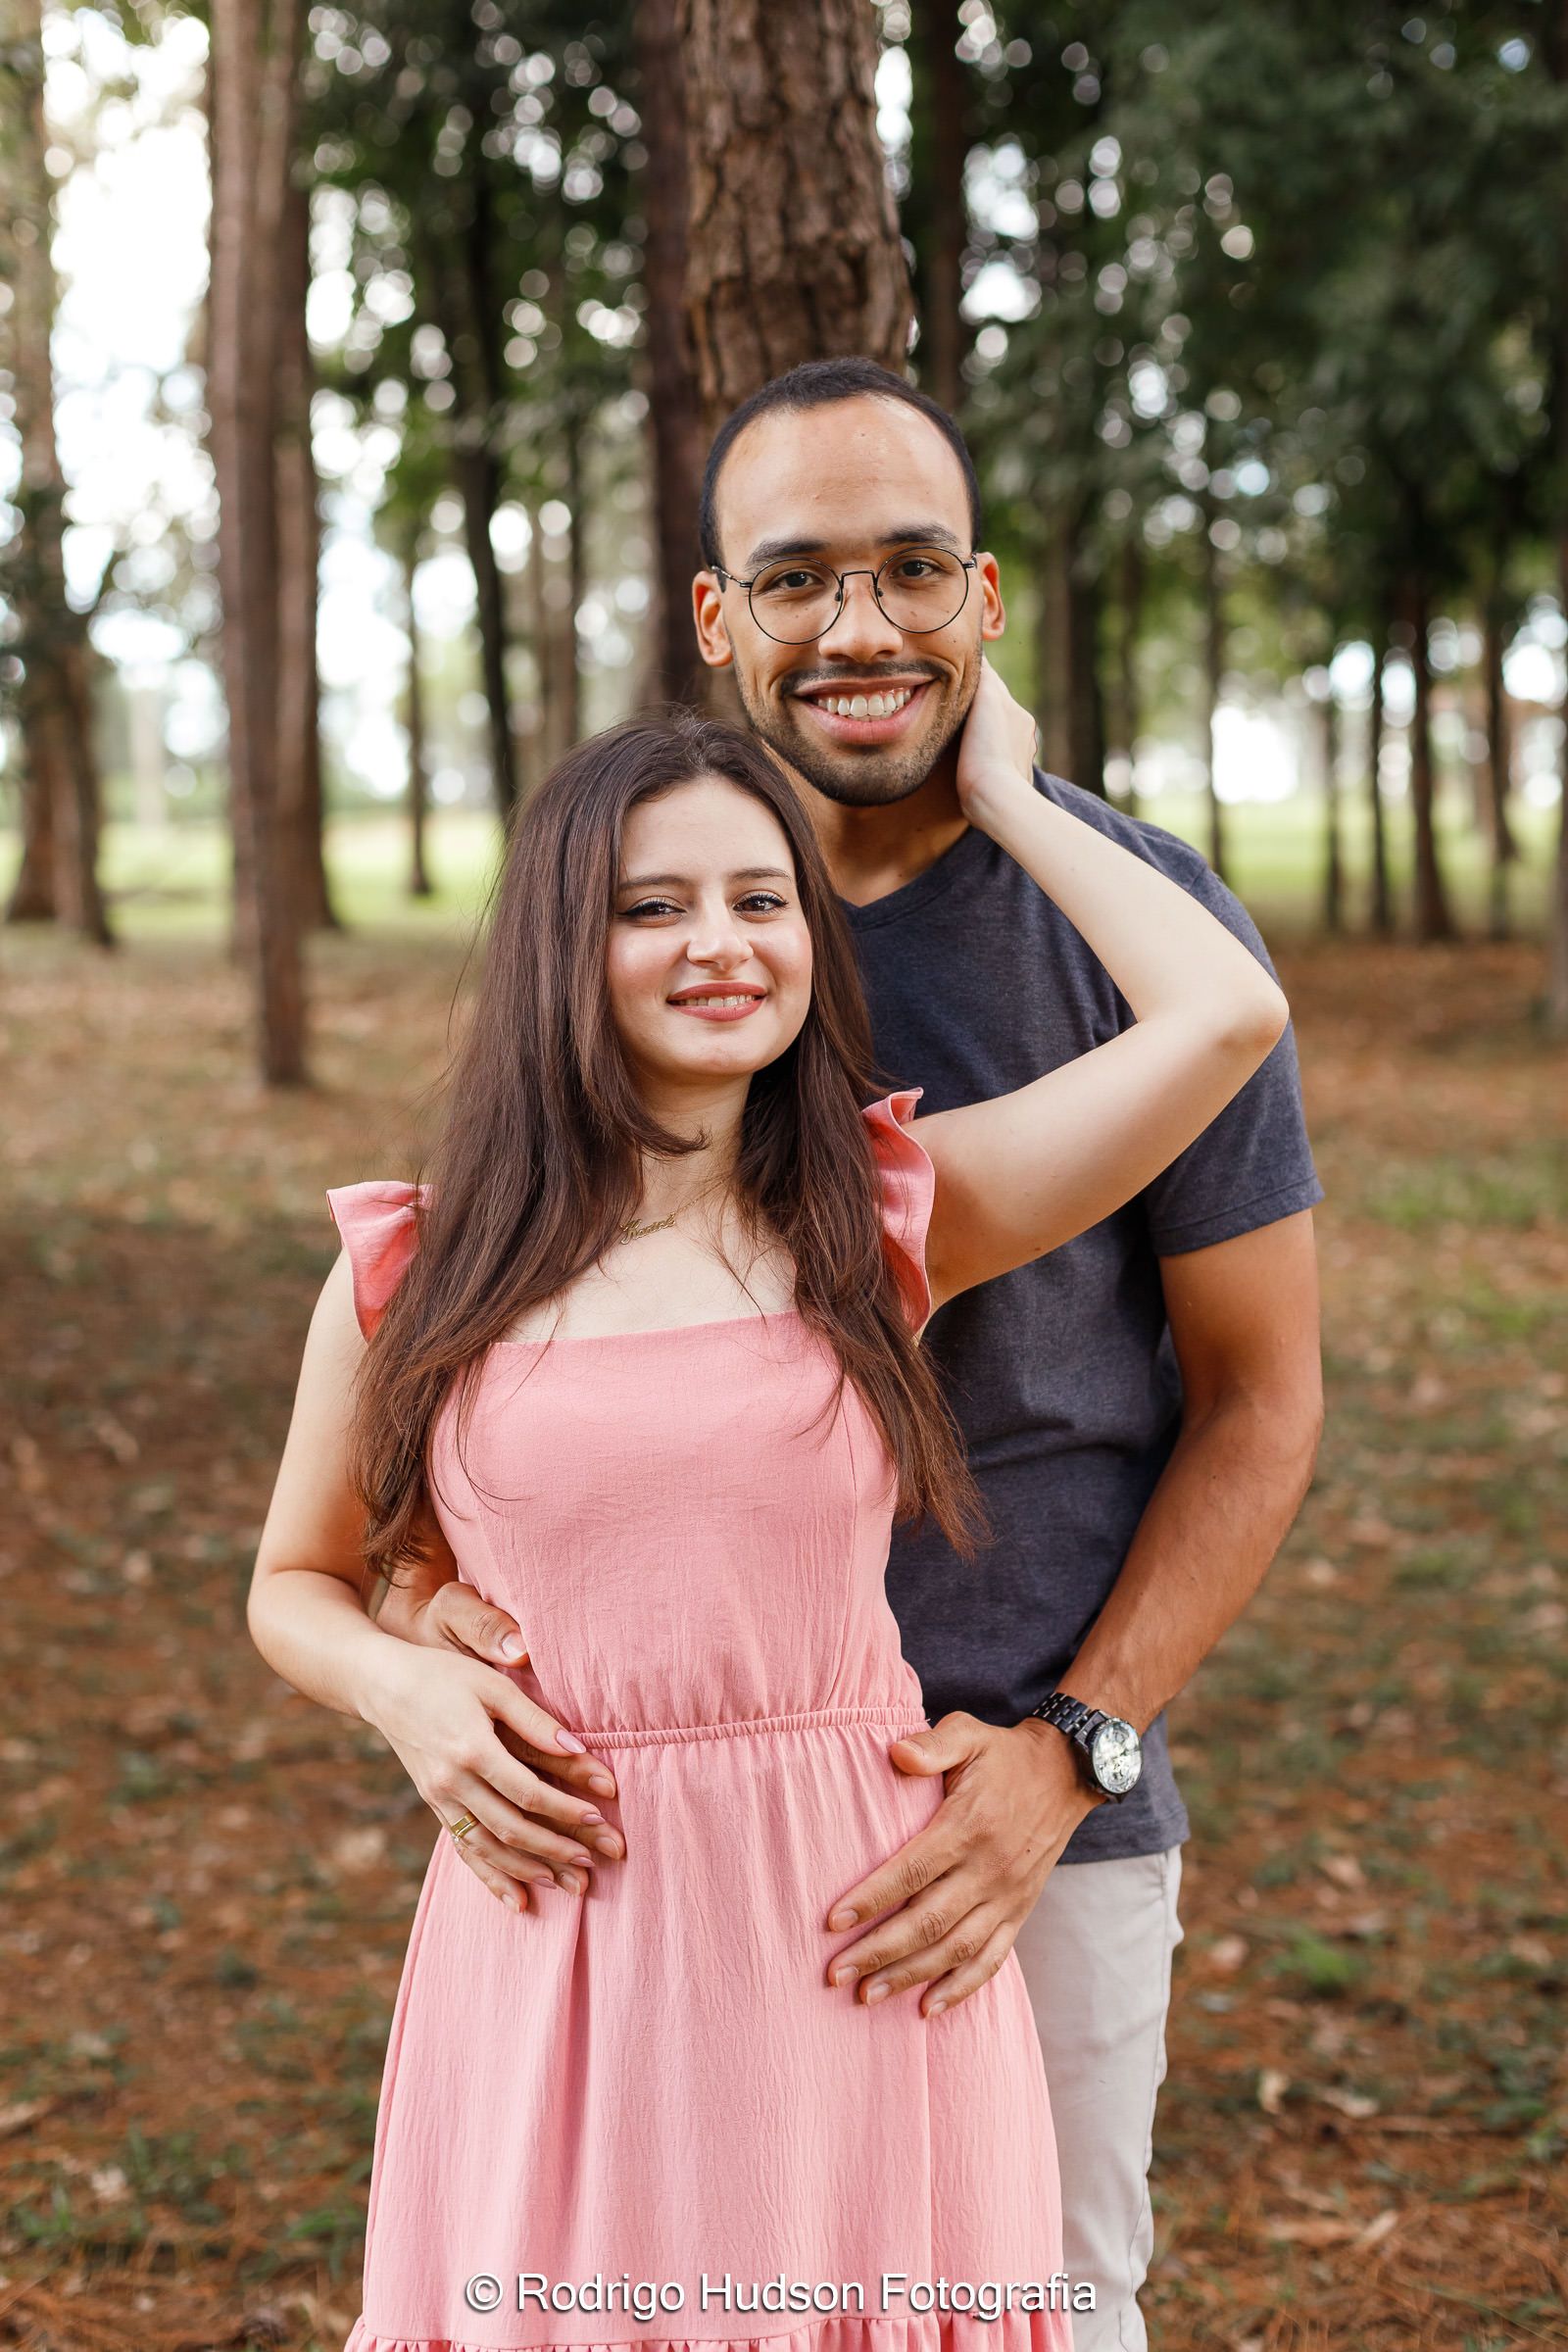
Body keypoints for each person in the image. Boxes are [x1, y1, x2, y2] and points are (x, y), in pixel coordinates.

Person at [367, 362, 1327, 2350]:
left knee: (1024, 2313)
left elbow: (1258, 1398)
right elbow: (477, 1375)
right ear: (719, 619)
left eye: (910, 574)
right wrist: (414, 1624)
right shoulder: (647, 941)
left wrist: (1072, 1755)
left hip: (1006, 1819)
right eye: (796, 581)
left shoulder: (1126, 936)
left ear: (980, 598)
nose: (860, 628)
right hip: (654, 1846)